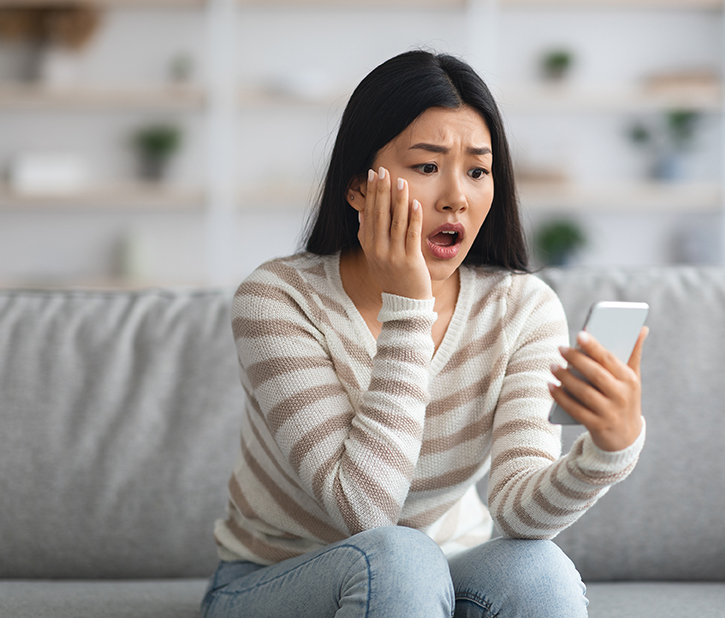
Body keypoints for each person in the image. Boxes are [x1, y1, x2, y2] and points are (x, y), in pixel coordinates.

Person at [202, 50, 648, 618]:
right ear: (359, 187)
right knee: (396, 556)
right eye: (427, 166)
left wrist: (608, 451)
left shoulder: (521, 309)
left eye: (478, 170)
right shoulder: (279, 300)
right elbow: (362, 511)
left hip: (438, 573)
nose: (456, 196)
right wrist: (409, 308)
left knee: (541, 571)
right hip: (276, 580)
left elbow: (517, 513)